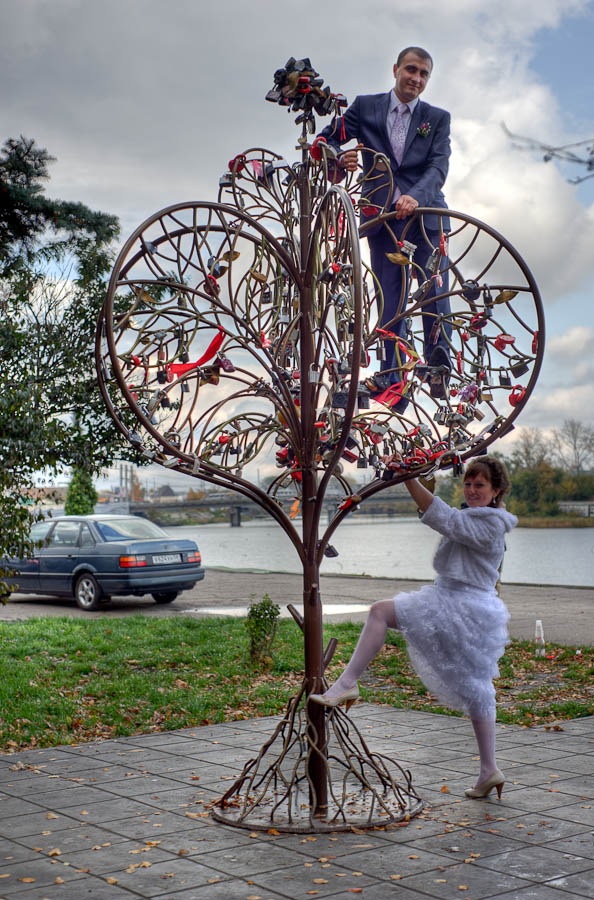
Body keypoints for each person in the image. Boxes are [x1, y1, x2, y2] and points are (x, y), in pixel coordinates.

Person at [310, 456, 517, 800]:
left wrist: (408, 479)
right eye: (468, 483)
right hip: (462, 604)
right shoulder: (477, 518)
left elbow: (443, 518)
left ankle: (347, 684)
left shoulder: (491, 524)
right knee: (478, 690)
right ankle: (488, 770)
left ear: (496, 491)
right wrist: (411, 479)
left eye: (480, 485)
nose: (471, 490)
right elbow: (447, 520)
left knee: (379, 612)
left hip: (461, 606)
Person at [317, 47, 452, 408]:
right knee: (389, 298)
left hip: (426, 217)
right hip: (381, 218)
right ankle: (394, 381)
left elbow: (438, 168)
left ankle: (438, 369)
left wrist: (414, 197)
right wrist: (339, 157)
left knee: (433, 293)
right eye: (411, 70)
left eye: (424, 74)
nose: (417, 79)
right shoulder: (367, 107)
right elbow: (326, 140)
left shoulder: (437, 118)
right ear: (395, 69)